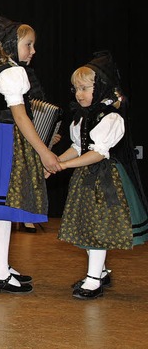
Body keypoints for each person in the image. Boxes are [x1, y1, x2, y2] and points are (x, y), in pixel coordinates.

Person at [0, 13, 62, 294]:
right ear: (11, 45)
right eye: (28, 45)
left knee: (0, 211)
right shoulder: (13, 73)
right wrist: (44, 151)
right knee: (3, 210)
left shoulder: (0, 70)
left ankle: (0, 267)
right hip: (7, 142)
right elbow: (20, 117)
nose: (33, 51)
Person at [56, 51, 148, 300]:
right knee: (86, 227)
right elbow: (77, 146)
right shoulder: (81, 117)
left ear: (101, 88)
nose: (79, 94)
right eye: (76, 88)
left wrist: (65, 166)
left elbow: (98, 153)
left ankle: (94, 279)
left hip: (106, 180)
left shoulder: (112, 117)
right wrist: (54, 162)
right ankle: (101, 271)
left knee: (97, 229)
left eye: (85, 88)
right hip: (85, 178)